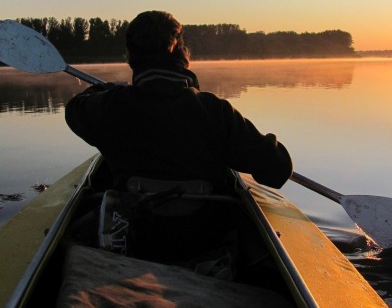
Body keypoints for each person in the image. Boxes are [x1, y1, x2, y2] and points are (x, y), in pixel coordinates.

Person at [65, 10, 293, 193]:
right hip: (202, 237)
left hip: (135, 232)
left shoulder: (110, 107)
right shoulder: (214, 111)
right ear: (182, 53)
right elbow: (278, 168)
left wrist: (109, 88)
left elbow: (74, 109)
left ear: (131, 58)